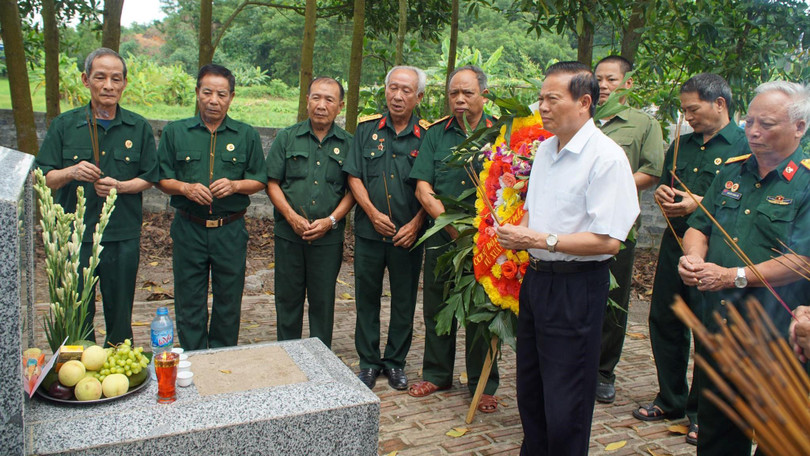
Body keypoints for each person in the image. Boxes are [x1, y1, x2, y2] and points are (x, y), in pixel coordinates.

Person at [496, 61, 638, 455]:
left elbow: (609, 241)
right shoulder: (544, 150)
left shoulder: (606, 158)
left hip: (577, 287)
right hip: (538, 280)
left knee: (568, 397)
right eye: (540, 98)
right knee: (532, 386)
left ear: (584, 101)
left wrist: (540, 238)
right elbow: (537, 213)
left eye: (551, 99)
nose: (541, 106)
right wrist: (517, 235)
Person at [679, 81, 810, 455]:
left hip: (779, 339)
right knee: (718, 436)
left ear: (799, 128)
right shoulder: (731, 172)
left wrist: (733, 276)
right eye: (750, 121)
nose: (753, 131)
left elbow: (802, 260)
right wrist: (694, 258)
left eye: (766, 124)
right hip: (722, 329)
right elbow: (698, 227)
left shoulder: (806, 183)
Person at [633, 73, 747, 446]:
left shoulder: (745, 146)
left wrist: (696, 203)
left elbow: (740, 201)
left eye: (693, 109)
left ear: (719, 103)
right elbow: (666, 182)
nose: (688, 116)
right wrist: (666, 193)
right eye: (684, 110)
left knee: (708, 328)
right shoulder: (682, 144)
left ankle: (702, 412)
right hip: (675, 243)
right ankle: (671, 398)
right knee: (665, 318)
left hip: (717, 251)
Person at [36, 47, 158, 346]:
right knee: (76, 313)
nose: (108, 85)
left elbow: (150, 177)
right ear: (85, 79)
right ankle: (77, 368)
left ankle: (118, 365)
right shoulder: (64, 125)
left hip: (121, 234)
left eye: (116, 79)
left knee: (120, 315)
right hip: (76, 235)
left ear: (125, 83)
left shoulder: (138, 126)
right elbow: (45, 178)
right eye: (100, 77)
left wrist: (121, 186)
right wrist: (71, 172)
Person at [408, 65, 500, 413]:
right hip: (444, 236)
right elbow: (423, 187)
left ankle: (484, 383)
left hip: (489, 239)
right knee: (437, 304)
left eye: (467, 93)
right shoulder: (435, 134)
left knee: (484, 309)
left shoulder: (501, 133)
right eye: (453, 94)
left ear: (483, 95)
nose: (459, 100)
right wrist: (449, 225)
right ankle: (437, 372)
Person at [156, 64, 267, 350]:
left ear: (231, 97)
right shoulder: (175, 132)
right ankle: (194, 358)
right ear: (197, 93)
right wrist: (185, 188)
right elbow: (161, 178)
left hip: (229, 229)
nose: (213, 100)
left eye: (221, 94)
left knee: (228, 301)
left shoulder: (246, 134)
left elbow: (259, 180)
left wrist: (235, 185)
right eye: (207, 92)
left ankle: (223, 359)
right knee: (189, 299)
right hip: (188, 227)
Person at [344, 66, 428, 389]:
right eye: (393, 88)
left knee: (404, 300)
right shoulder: (366, 130)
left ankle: (395, 362)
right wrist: (371, 211)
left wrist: (417, 223)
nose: (398, 95)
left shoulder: (426, 135)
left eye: (406, 90)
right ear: (385, 90)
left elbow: (428, 184)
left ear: (418, 96)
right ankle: (368, 362)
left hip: (409, 236)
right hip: (369, 233)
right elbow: (353, 175)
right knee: (367, 297)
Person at [593, 55, 665, 404]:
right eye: (599, 79)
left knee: (613, 300)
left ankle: (604, 371)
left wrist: (608, 185)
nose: (604, 86)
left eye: (611, 80)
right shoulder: (580, 118)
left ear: (628, 84)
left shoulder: (643, 125)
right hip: (573, 227)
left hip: (618, 228)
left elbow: (651, 172)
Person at [266, 77, 354, 349]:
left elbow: (353, 190)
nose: (321, 105)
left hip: (328, 239)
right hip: (289, 236)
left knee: (322, 301)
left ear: (340, 106)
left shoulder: (350, 144)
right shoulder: (287, 137)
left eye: (329, 100)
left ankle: (320, 360)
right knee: (287, 299)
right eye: (316, 97)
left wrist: (331, 221)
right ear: (307, 101)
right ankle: (288, 356)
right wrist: (291, 217)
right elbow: (272, 183)